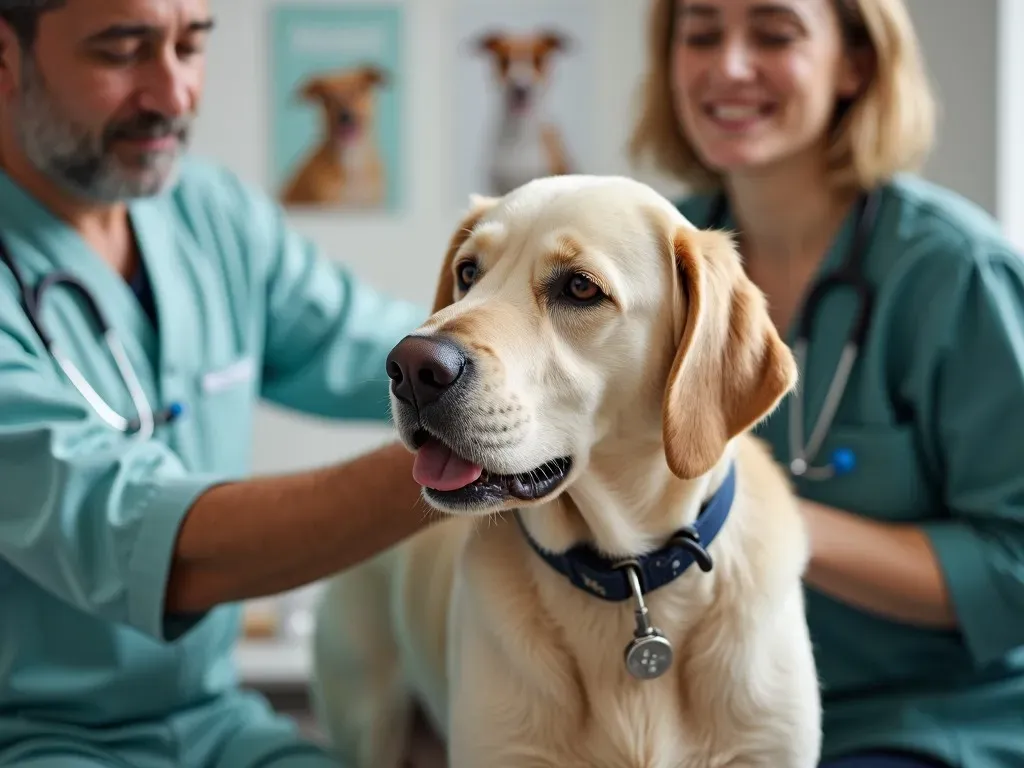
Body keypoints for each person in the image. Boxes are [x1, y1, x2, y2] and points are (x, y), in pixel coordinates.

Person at [0, 0, 434, 765]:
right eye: (121, 50)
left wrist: (522, 365)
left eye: (190, 46)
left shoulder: (209, 214)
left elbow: (379, 347)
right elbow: (160, 549)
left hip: (217, 726)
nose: (173, 94)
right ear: (6, 54)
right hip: (37, 739)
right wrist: (482, 451)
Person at [630, 1, 1024, 767]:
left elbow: (1014, 570)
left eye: (774, 34)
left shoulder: (954, 275)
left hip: (915, 722)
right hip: (689, 708)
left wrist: (745, 507)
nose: (728, 65)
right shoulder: (644, 265)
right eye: (701, 33)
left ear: (855, 64)